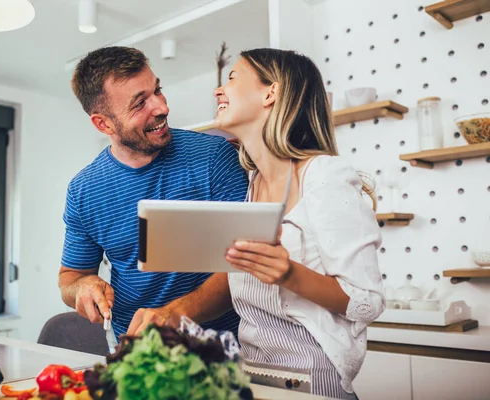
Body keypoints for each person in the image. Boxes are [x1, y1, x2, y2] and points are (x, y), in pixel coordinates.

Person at [140, 48, 385, 399]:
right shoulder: (253, 183)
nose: (218, 90)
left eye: (233, 78)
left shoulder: (325, 175)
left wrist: (289, 274)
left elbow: (367, 301)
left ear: (270, 93)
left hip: (313, 378)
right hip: (251, 374)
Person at [58, 46, 248, 349]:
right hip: (134, 348)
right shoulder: (83, 190)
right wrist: (83, 286)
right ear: (103, 124)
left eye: (157, 90)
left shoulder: (215, 157)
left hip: (221, 346)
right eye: (139, 104)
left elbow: (245, 265)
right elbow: (70, 277)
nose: (161, 107)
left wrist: (176, 314)